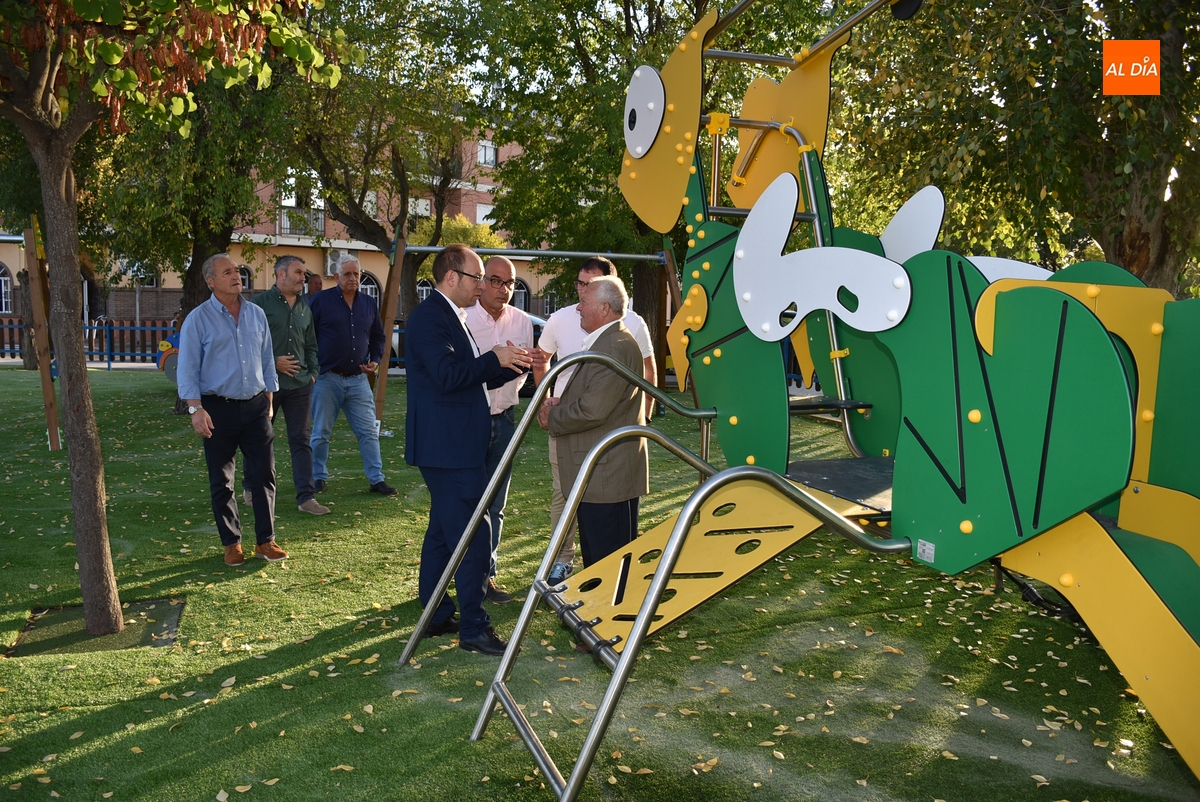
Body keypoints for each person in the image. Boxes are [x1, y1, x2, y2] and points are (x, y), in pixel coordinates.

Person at [406, 244, 532, 655]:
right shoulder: (431, 317)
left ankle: (436, 614)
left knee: (443, 534)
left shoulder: (450, 315)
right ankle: (475, 628)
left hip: (454, 443)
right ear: (451, 278)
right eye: (477, 277)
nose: (482, 286)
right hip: (448, 447)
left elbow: (465, 380)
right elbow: (446, 376)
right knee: (475, 535)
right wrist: (493, 358)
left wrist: (505, 364)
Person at [534, 256, 656, 583]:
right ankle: (601, 625)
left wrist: (551, 415)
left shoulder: (613, 346)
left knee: (607, 568)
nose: (578, 306)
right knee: (604, 564)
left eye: (585, 299)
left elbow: (593, 410)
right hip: (604, 473)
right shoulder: (608, 340)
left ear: (603, 309)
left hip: (606, 479)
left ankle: (608, 629)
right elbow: (598, 397)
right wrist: (562, 400)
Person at [178, 253, 288, 567]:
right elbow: (187, 368)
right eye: (227, 272)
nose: (236, 275)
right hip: (217, 409)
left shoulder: (256, 315)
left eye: (237, 270)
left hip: (256, 407)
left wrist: (269, 398)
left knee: (264, 474)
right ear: (210, 281)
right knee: (222, 480)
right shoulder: (198, 320)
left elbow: (268, 360)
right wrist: (195, 409)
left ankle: (266, 542)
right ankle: (232, 543)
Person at [465, 256, 544, 605]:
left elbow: (525, 366)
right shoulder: (464, 317)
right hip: (468, 420)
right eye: (496, 281)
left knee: (495, 504)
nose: (504, 289)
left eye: (510, 283)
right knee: (465, 502)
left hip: (506, 418)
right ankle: (455, 572)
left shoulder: (522, 321)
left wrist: (516, 365)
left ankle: (486, 576)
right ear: (481, 282)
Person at [244, 255, 329, 516]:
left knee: (301, 440)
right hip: (266, 386)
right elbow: (246, 348)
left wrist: (312, 372)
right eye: (298, 272)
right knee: (260, 438)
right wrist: (273, 362)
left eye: (304, 273)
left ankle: (306, 497)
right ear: (281, 275)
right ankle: (252, 488)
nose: (303, 278)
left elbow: (311, 345)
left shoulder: (305, 307)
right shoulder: (258, 306)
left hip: (300, 386)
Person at [308, 254, 396, 496]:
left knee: (369, 431)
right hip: (328, 377)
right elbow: (307, 335)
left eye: (356, 274)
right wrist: (313, 368)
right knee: (321, 432)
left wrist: (375, 360)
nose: (352, 278)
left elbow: (379, 337)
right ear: (336, 277)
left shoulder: (368, 303)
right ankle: (317, 477)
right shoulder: (320, 301)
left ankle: (376, 479)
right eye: (347, 274)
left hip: (358, 379)